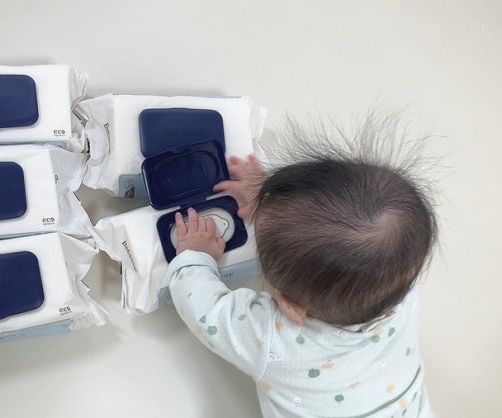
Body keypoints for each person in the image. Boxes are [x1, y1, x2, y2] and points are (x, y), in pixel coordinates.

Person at [166, 118, 437, 417]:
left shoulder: (273, 338)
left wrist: (194, 257)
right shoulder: (399, 284)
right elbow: (338, 239)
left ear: (291, 306)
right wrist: (271, 201)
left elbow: (207, 313)